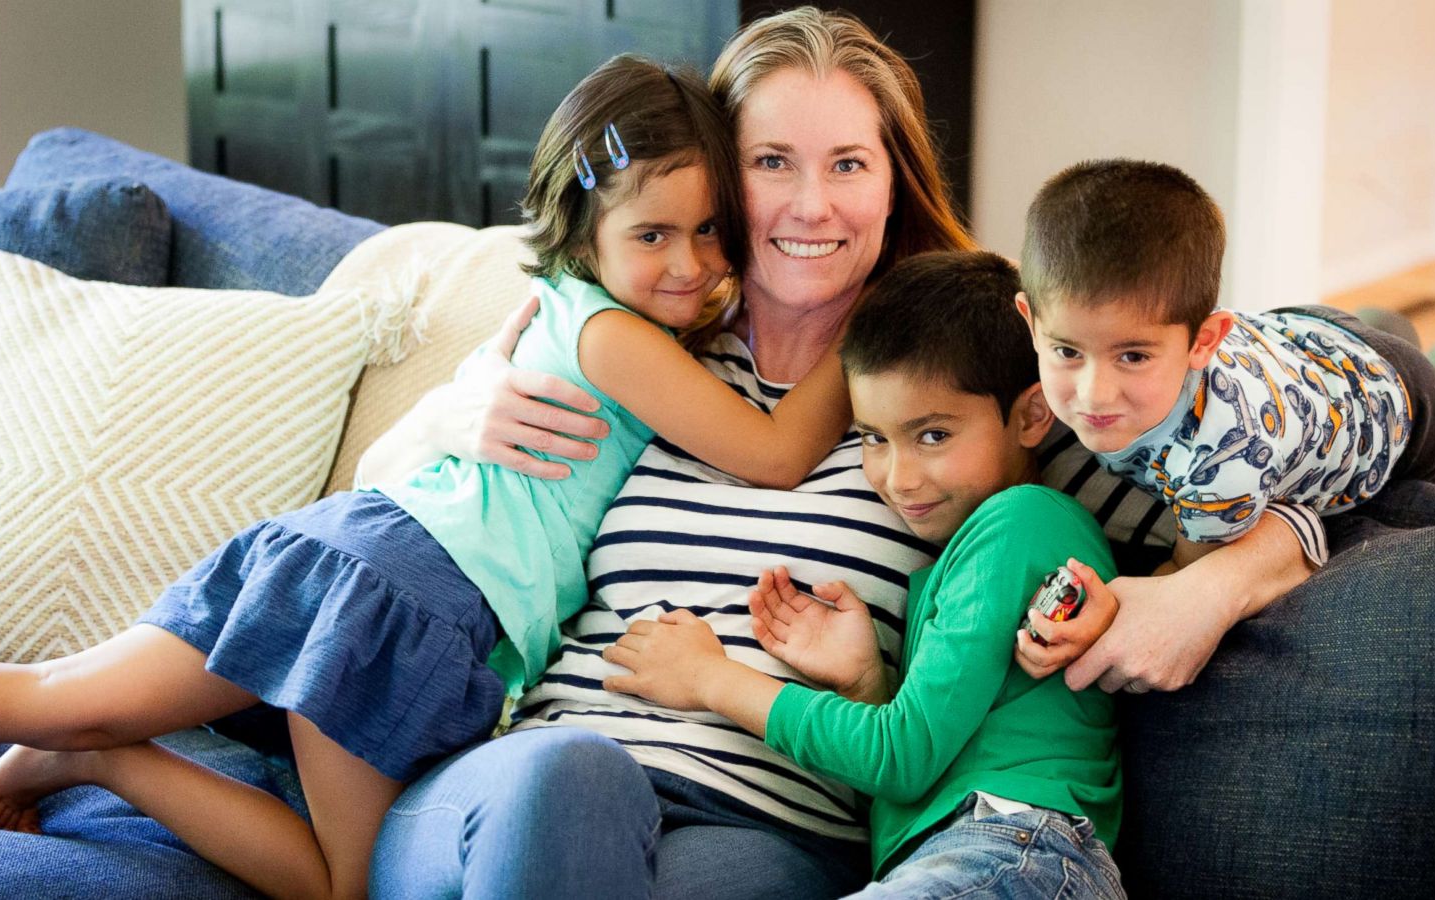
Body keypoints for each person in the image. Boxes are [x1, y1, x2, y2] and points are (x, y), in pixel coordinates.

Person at [363, 8, 1325, 899]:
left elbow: (1253, 483)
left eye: (849, 165)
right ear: (710, 175)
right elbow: (401, 522)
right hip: (519, 787)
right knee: (569, 781)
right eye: (771, 161)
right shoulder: (643, 342)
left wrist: (1213, 589)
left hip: (759, 823)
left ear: (894, 179)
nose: (811, 205)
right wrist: (436, 422)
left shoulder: (960, 382)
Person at [0, 54, 856, 900]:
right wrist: (866, 321)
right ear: (582, 238)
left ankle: (83, 745)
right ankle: (104, 759)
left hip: (349, 545)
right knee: (340, 883)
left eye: (710, 231)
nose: (691, 264)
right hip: (416, 598)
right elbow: (772, 453)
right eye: (652, 234)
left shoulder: (583, 315)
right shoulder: (612, 336)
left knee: (53, 693)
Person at [604, 250, 1127, 899]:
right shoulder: (970, 551)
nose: (898, 477)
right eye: (873, 438)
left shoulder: (1022, 523)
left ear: (1029, 416)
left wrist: (710, 679)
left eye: (932, 435)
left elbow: (902, 758)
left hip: (1018, 849)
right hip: (959, 858)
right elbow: (919, 761)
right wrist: (864, 683)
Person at [1015, 158, 1435, 573]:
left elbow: (1181, 580)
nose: (1094, 392)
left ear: (1203, 341)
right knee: (1365, 347)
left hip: (1396, 403)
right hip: (1304, 335)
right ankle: (1383, 329)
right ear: (1030, 323)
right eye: (1068, 352)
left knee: (1413, 523)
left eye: (1132, 356)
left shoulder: (1220, 469)